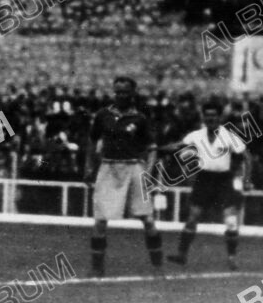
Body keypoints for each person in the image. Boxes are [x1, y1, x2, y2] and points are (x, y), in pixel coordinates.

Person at [85, 76, 163, 278]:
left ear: (133, 93)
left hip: (135, 168)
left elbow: (152, 148)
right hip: (108, 167)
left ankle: (157, 267)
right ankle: (97, 268)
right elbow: (92, 142)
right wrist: (89, 167)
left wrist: (149, 172)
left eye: (125, 92)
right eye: (117, 92)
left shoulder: (141, 118)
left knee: (147, 218)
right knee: (100, 220)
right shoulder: (103, 115)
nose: (121, 95)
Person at [165, 100, 247, 271]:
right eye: (207, 115)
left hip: (224, 180)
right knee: (192, 217)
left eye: (214, 116)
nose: (211, 119)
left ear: (220, 117)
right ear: (204, 117)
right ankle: (181, 254)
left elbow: (246, 157)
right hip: (204, 179)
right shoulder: (196, 135)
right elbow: (179, 147)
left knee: (231, 220)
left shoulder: (229, 136)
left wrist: (245, 179)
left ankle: (232, 258)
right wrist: (157, 148)